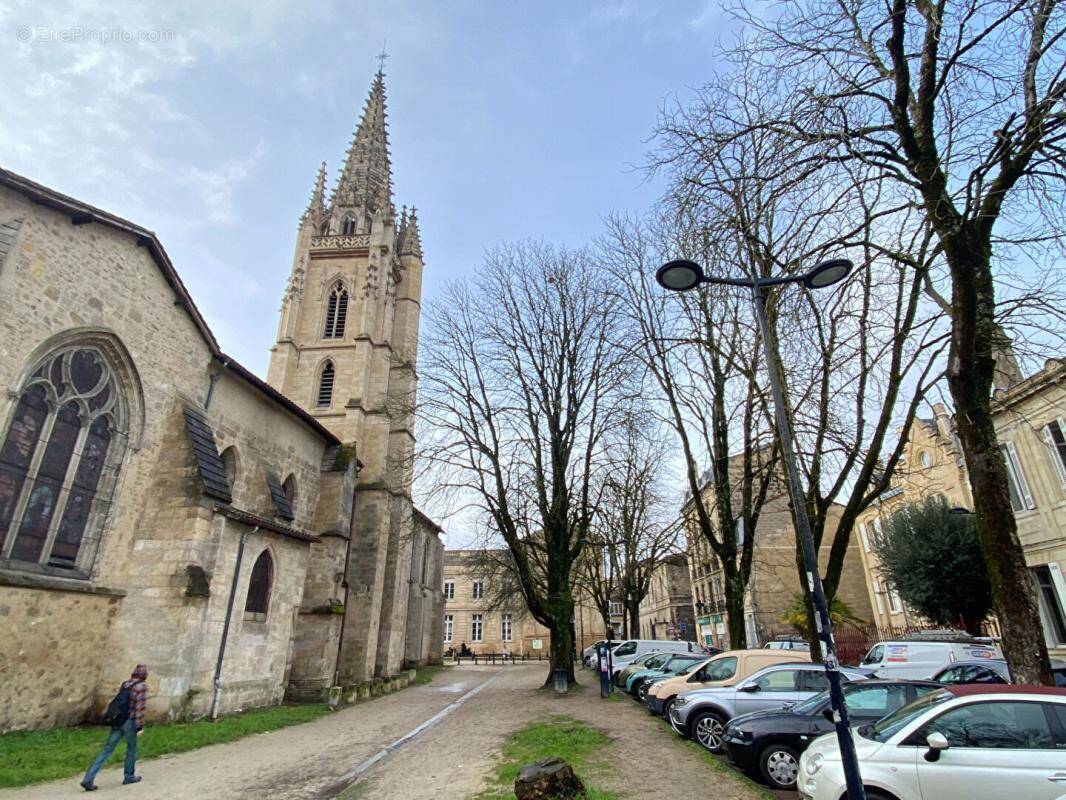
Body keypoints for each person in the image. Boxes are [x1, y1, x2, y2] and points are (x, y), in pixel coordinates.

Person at [81, 664, 149, 791]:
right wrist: (139, 727)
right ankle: (129, 775)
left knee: (107, 749)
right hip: (130, 721)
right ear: (145, 675)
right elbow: (139, 708)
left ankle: (88, 778)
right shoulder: (142, 687)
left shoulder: (126, 684)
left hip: (118, 720)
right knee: (131, 748)